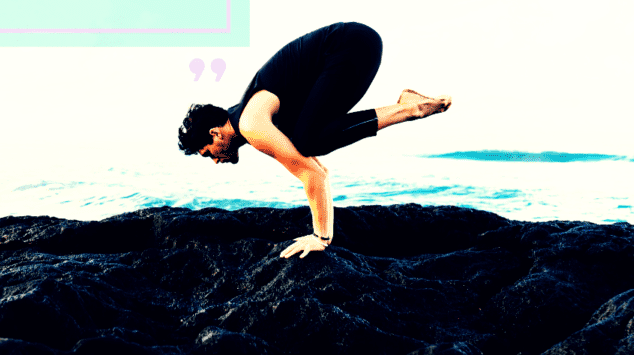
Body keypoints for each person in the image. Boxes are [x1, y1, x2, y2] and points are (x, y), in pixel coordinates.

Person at [177, 22, 451, 259]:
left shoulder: (252, 125)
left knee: (307, 140)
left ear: (215, 133)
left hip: (350, 45)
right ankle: (407, 104)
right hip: (356, 44)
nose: (214, 159)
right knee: (305, 138)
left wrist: (320, 238)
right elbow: (318, 170)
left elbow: (312, 174)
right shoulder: (254, 116)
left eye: (207, 152)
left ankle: (409, 108)